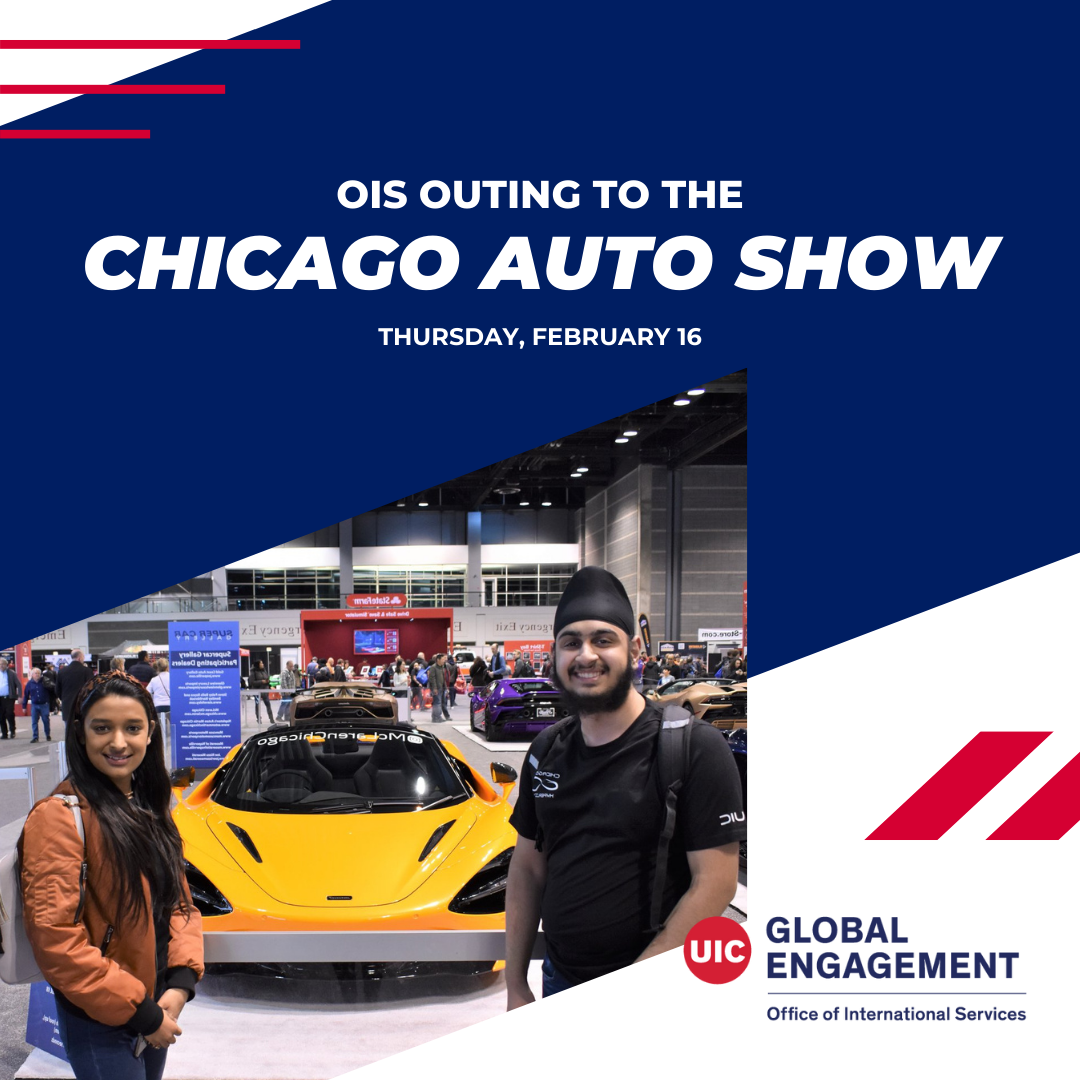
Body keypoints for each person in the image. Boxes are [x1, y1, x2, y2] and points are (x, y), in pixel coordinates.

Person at [504, 566, 744, 1007]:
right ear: (554, 654)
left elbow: (716, 883)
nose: (586, 655)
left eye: (603, 639)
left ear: (634, 648)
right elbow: (527, 870)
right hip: (559, 982)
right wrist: (516, 982)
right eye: (571, 642)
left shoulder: (693, 747)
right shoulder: (546, 749)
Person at [19, 671, 203, 1079]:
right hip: (101, 1016)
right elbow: (56, 939)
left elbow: (179, 900)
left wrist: (181, 980)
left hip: (156, 1000)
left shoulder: (150, 805)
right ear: (80, 733)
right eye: (102, 728)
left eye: (132, 728)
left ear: (150, 733)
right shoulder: (59, 818)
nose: (119, 742)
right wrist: (140, 1011)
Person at [58, 649, 94, 725]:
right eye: (83, 657)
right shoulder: (87, 671)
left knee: (68, 730)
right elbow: (91, 689)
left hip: (67, 706)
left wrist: (64, 698)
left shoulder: (62, 671)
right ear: (79, 658)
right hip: (82, 706)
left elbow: (57, 690)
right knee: (82, 731)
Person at [22, 667, 53, 742]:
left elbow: (52, 690)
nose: (37, 675)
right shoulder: (29, 683)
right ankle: (35, 737)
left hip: (44, 704)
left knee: (46, 720)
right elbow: (26, 695)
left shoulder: (45, 682)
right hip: (35, 705)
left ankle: (47, 735)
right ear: (32, 674)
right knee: (34, 721)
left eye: (39, 673)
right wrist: (24, 706)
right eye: (36, 673)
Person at [147, 660, 171, 732]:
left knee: (158, 727)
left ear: (157, 668)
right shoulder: (172, 678)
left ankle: (161, 738)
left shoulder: (154, 680)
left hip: (158, 707)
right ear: (167, 667)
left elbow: (147, 691)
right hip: (170, 706)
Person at [0, 656, 21, 739]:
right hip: (0, 698)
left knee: (9, 714)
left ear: (6, 665)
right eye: (0, 664)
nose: (1, 666)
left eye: (3, 664)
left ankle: (12, 730)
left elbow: (18, 685)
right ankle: (4, 733)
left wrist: (19, 696)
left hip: (9, 697)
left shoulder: (12, 673)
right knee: (1, 716)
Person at [426, 654, 451, 722]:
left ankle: (435, 717)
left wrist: (446, 688)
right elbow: (432, 679)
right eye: (443, 659)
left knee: (439, 703)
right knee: (437, 703)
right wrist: (435, 688)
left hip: (442, 688)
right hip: (437, 688)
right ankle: (437, 717)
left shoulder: (442, 667)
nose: (444, 660)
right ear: (438, 660)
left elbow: (443, 678)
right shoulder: (433, 667)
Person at [249, 660, 272, 725]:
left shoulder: (264, 670)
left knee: (268, 704)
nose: (263, 664)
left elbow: (267, 678)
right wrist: (262, 681)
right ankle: (258, 719)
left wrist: (267, 681)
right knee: (257, 705)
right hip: (257, 692)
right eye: (261, 663)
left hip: (265, 691)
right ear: (258, 664)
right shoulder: (253, 672)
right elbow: (252, 682)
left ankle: (271, 719)